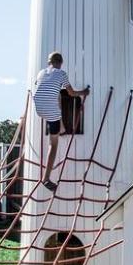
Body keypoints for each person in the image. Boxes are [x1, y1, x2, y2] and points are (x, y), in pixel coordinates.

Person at [33, 51, 89, 191]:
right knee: (53, 145)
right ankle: (46, 179)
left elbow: (39, 86)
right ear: (61, 63)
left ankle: (61, 128)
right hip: (51, 112)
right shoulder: (61, 73)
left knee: (57, 94)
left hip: (38, 108)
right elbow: (71, 93)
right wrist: (83, 93)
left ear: (48, 62)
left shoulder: (41, 73)